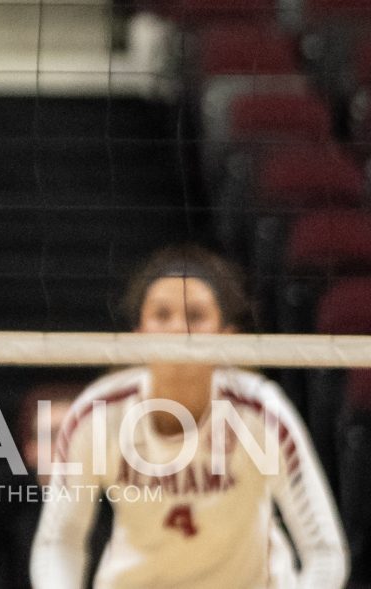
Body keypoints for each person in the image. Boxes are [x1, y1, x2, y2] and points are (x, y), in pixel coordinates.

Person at [33, 247, 345, 589]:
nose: (178, 329)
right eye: (162, 314)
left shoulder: (259, 413)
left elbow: (324, 551)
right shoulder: (98, 414)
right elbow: (59, 540)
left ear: (227, 336)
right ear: (138, 334)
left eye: (195, 316)